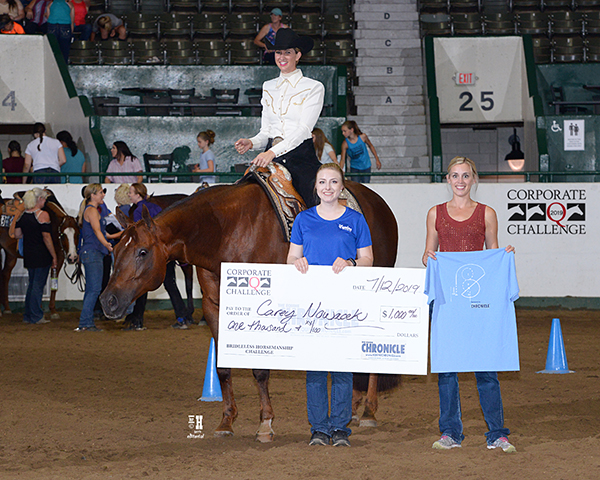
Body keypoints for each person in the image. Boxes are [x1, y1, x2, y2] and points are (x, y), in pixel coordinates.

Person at [422, 156, 516, 453]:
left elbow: (492, 253)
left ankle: (497, 433)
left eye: (465, 175)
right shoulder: (434, 213)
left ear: (473, 179)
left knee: (486, 367)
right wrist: (431, 259)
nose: (460, 181)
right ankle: (450, 432)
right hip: (449, 302)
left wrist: (504, 255)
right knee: (447, 370)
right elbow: (427, 253)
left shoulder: (487, 213)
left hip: (477, 304)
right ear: (447, 180)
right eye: (454, 176)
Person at [287, 163, 374, 447]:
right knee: (315, 369)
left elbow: (368, 260)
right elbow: (291, 258)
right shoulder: (303, 220)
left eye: (333, 182)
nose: (327, 187)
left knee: (341, 367)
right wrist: (297, 262)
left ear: (341, 187)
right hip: (312, 303)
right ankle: (318, 429)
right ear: (316, 186)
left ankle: (339, 428)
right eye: (322, 182)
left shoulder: (355, 220)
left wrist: (350, 262)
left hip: (345, 302)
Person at [235, 28, 324, 208]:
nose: (282, 57)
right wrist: (252, 142)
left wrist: (272, 152)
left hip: (300, 158)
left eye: (288, 53)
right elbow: (266, 131)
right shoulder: (268, 87)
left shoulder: (314, 87)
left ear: (298, 55)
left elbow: (303, 130)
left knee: (315, 200)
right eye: (278, 52)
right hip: (271, 157)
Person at [125, 183, 192, 330]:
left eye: (130, 192)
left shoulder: (138, 212)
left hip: (150, 255)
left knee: (142, 286)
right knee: (171, 284)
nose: (129, 195)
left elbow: (141, 237)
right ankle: (182, 318)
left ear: (138, 195)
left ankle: (137, 321)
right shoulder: (156, 208)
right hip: (164, 252)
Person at [12, 188, 57, 325]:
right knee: (38, 285)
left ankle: (28, 315)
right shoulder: (43, 215)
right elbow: (46, 238)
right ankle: (37, 315)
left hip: (29, 254)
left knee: (32, 285)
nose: (44, 201)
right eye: (44, 199)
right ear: (39, 199)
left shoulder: (22, 215)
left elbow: (18, 234)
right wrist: (54, 256)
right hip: (41, 254)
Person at [75, 184, 112, 332]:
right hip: (93, 252)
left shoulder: (91, 211)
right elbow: (98, 232)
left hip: (92, 252)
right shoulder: (92, 211)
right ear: (93, 195)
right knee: (94, 289)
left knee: (92, 289)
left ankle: (86, 321)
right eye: (101, 192)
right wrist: (107, 245)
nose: (103, 195)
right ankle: (85, 322)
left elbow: (103, 233)